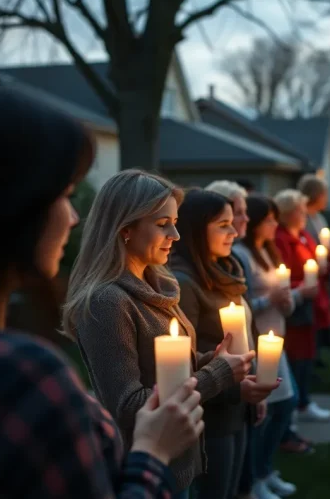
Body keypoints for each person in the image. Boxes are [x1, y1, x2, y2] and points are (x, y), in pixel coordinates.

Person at [0, 69, 202, 497]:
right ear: (13, 209)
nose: (74, 216)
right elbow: (127, 406)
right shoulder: (20, 380)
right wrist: (152, 453)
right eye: (65, 193)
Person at [65, 170, 253, 497]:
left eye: (175, 221)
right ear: (125, 228)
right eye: (163, 223)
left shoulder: (160, 286)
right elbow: (130, 405)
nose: (176, 235)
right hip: (145, 472)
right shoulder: (108, 301)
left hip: (181, 460)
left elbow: (170, 367)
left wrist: (213, 359)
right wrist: (216, 374)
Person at [171, 190, 280, 499]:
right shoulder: (184, 282)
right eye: (223, 224)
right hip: (210, 416)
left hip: (237, 407)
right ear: (196, 228)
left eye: (233, 223)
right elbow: (182, 361)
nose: (233, 232)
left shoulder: (226, 270)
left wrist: (255, 383)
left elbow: (245, 333)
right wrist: (236, 387)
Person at [233, 196, 300, 499]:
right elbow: (242, 304)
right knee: (274, 407)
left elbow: (282, 303)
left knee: (283, 405)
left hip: (276, 336)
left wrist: (288, 301)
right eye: (270, 219)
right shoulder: (242, 254)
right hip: (258, 341)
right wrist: (269, 301)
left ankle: (264, 469)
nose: (275, 223)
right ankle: (256, 476)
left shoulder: (268, 252)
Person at [205, 180, 259, 499]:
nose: (240, 226)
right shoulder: (189, 279)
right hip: (217, 401)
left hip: (238, 390)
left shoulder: (232, 265)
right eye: (230, 218)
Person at [274, 189, 330, 422]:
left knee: (308, 354)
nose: (304, 215)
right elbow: (282, 275)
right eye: (299, 210)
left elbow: (315, 265)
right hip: (294, 305)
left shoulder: (304, 236)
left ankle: (304, 401)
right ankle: (295, 406)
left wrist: (326, 263)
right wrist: (302, 286)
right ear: (287, 214)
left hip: (310, 303)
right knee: (296, 356)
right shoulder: (281, 239)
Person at [298, 173, 330, 360]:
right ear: (315, 195)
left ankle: (317, 353)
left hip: (322, 271)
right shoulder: (303, 217)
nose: (326, 198)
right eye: (324, 194)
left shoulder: (319, 218)